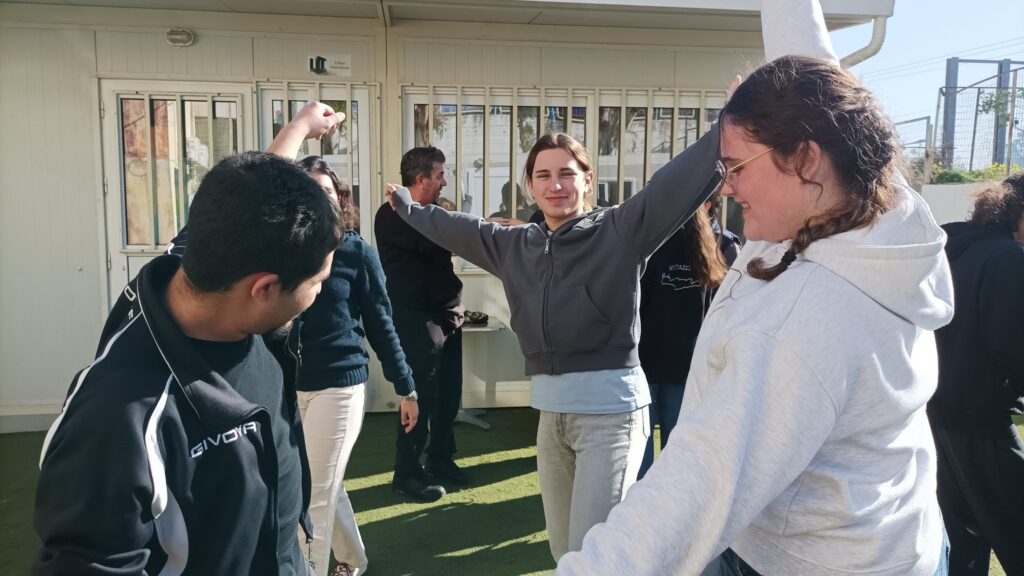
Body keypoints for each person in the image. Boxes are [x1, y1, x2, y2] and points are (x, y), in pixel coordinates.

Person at [554, 1, 953, 574]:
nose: (725, 186)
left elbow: (701, 481)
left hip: (809, 562)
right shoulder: (873, 204)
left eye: (737, 166)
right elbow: (813, 69)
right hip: (897, 539)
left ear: (804, 159)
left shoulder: (799, 324)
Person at [383, 111, 721, 559]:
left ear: (587, 180)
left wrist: (727, 127)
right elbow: (458, 228)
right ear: (530, 185)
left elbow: (672, 184)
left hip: (610, 414)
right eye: (543, 175)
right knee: (563, 551)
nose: (555, 184)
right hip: (551, 415)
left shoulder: (619, 230)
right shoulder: (514, 245)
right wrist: (408, 207)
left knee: (594, 552)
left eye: (567, 173)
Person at [33, 105, 344, 576]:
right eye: (318, 281)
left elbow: (251, 198)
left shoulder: (210, 261)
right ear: (263, 289)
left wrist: (299, 128)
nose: (318, 292)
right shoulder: (116, 422)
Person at [295, 156, 419, 576]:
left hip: (339, 385)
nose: (318, 199)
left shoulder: (356, 252)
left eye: (326, 191)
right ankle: (353, 560)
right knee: (324, 483)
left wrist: (406, 387)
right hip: (290, 387)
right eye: (307, 191)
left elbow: (382, 324)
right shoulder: (280, 252)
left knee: (313, 496)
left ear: (340, 198)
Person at [929, 173, 1024, 576]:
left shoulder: (951, 249)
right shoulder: (1008, 258)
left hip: (938, 417)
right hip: (981, 423)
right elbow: (1012, 345)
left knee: (963, 541)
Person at [375, 146, 466, 503]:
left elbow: (448, 231)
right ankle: (407, 474)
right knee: (421, 398)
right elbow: (433, 237)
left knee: (449, 394)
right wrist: (450, 220)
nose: (445, 182)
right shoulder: (392, 215)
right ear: (420, 178)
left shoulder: (434, 212)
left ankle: (440, 460)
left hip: (448, 315)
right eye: (440, 175)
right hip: (416, 318)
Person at [637, 200, 737, 478]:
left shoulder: (719, 246)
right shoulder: (653, 242)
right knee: (674, 449)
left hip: (666, 366)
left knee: (657, 448)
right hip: (673, 366)